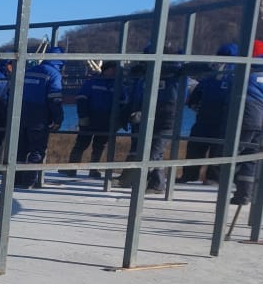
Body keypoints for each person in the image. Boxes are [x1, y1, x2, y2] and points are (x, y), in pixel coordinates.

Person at [117, 44, 186, 194]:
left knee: (153, 153)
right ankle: (154, 183)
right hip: (143, 120)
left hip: (164, 121)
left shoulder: (174, 74)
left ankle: (139, 181)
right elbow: (134, 98)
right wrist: (125, 116)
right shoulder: (143, 76)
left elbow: (167, 103)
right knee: (148, 152)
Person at [179, 43, 236, 184]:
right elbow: (198, 91)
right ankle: (194, 175)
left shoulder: (231, 75)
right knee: (198, 147)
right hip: (207, 119)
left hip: (218, 120)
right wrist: (194, 103)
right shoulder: (214, 74)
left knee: (215, 149)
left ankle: (209, 177)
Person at [15, 47, 64, 189]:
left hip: (21, 114)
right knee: (37, 149)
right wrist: (58, 119)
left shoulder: (30, 71)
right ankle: (29, 181)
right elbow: (55, 99)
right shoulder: (54, 74)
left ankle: (16, 179)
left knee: (20, 148)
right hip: (39, 116)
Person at [65, 60, 124, 178]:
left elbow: (123, 103)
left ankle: (93, 169)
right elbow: (81, 98)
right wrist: (83, 116)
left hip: (106, 121)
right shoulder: (93, 82)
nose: (115, 72)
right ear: (107, 70)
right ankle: (71, 168)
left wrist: (118, 121)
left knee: (99, 146)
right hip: (90, 119)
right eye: (113, 69)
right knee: (81, 144)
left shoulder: (118, 85)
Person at [231, 41, 263, 205]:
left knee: (232, 154)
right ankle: (244, 194)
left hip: (247, 118)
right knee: (251, 157)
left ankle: (233, 186)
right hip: (260, 121)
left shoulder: (247, 73)